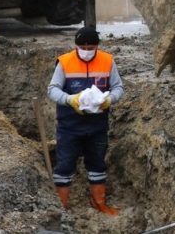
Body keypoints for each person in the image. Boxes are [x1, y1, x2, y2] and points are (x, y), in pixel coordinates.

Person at [47, 27, 124, 215]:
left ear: (97, 46)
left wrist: (109, 100)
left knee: (97, 163)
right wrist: (70, 100)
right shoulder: (65, 62)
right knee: (64, 165)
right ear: (76, 46)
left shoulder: (107, 61)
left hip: (97, 125)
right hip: (69, 126)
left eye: (91, 46)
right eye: (83, 46)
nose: (87, 50)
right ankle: (61, 206)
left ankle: (98, 202)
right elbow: (52, 90)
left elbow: (118, 88)